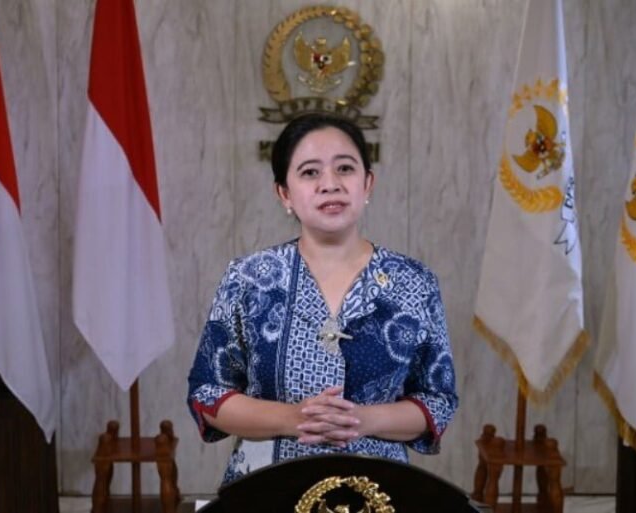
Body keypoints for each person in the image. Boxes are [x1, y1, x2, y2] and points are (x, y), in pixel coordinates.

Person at [187, 113, 458, 484]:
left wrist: (363, 420)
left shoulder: (414, 281)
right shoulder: (248, 278)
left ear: (368, 183)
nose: (330, 184)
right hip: (264, 487)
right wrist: (293, 418)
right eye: (310, 172)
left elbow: (438, 399)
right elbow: (208, 393)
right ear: (284, 193)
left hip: (378, 490)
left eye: (345, 168)